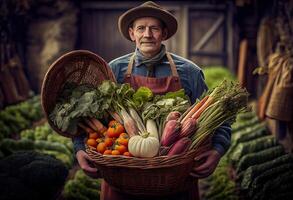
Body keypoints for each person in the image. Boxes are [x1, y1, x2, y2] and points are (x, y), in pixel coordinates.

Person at [73, 1, 231, 199]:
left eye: (154, 28)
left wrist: (218, 149)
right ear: (132, 34)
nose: (147, 34)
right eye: (141, 28)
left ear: (164, 34)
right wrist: (80, 149)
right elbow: (85, 118)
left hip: (176, 179)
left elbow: (220, 118)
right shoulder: (113, 70)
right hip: (122, 176)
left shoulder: (189, 72)